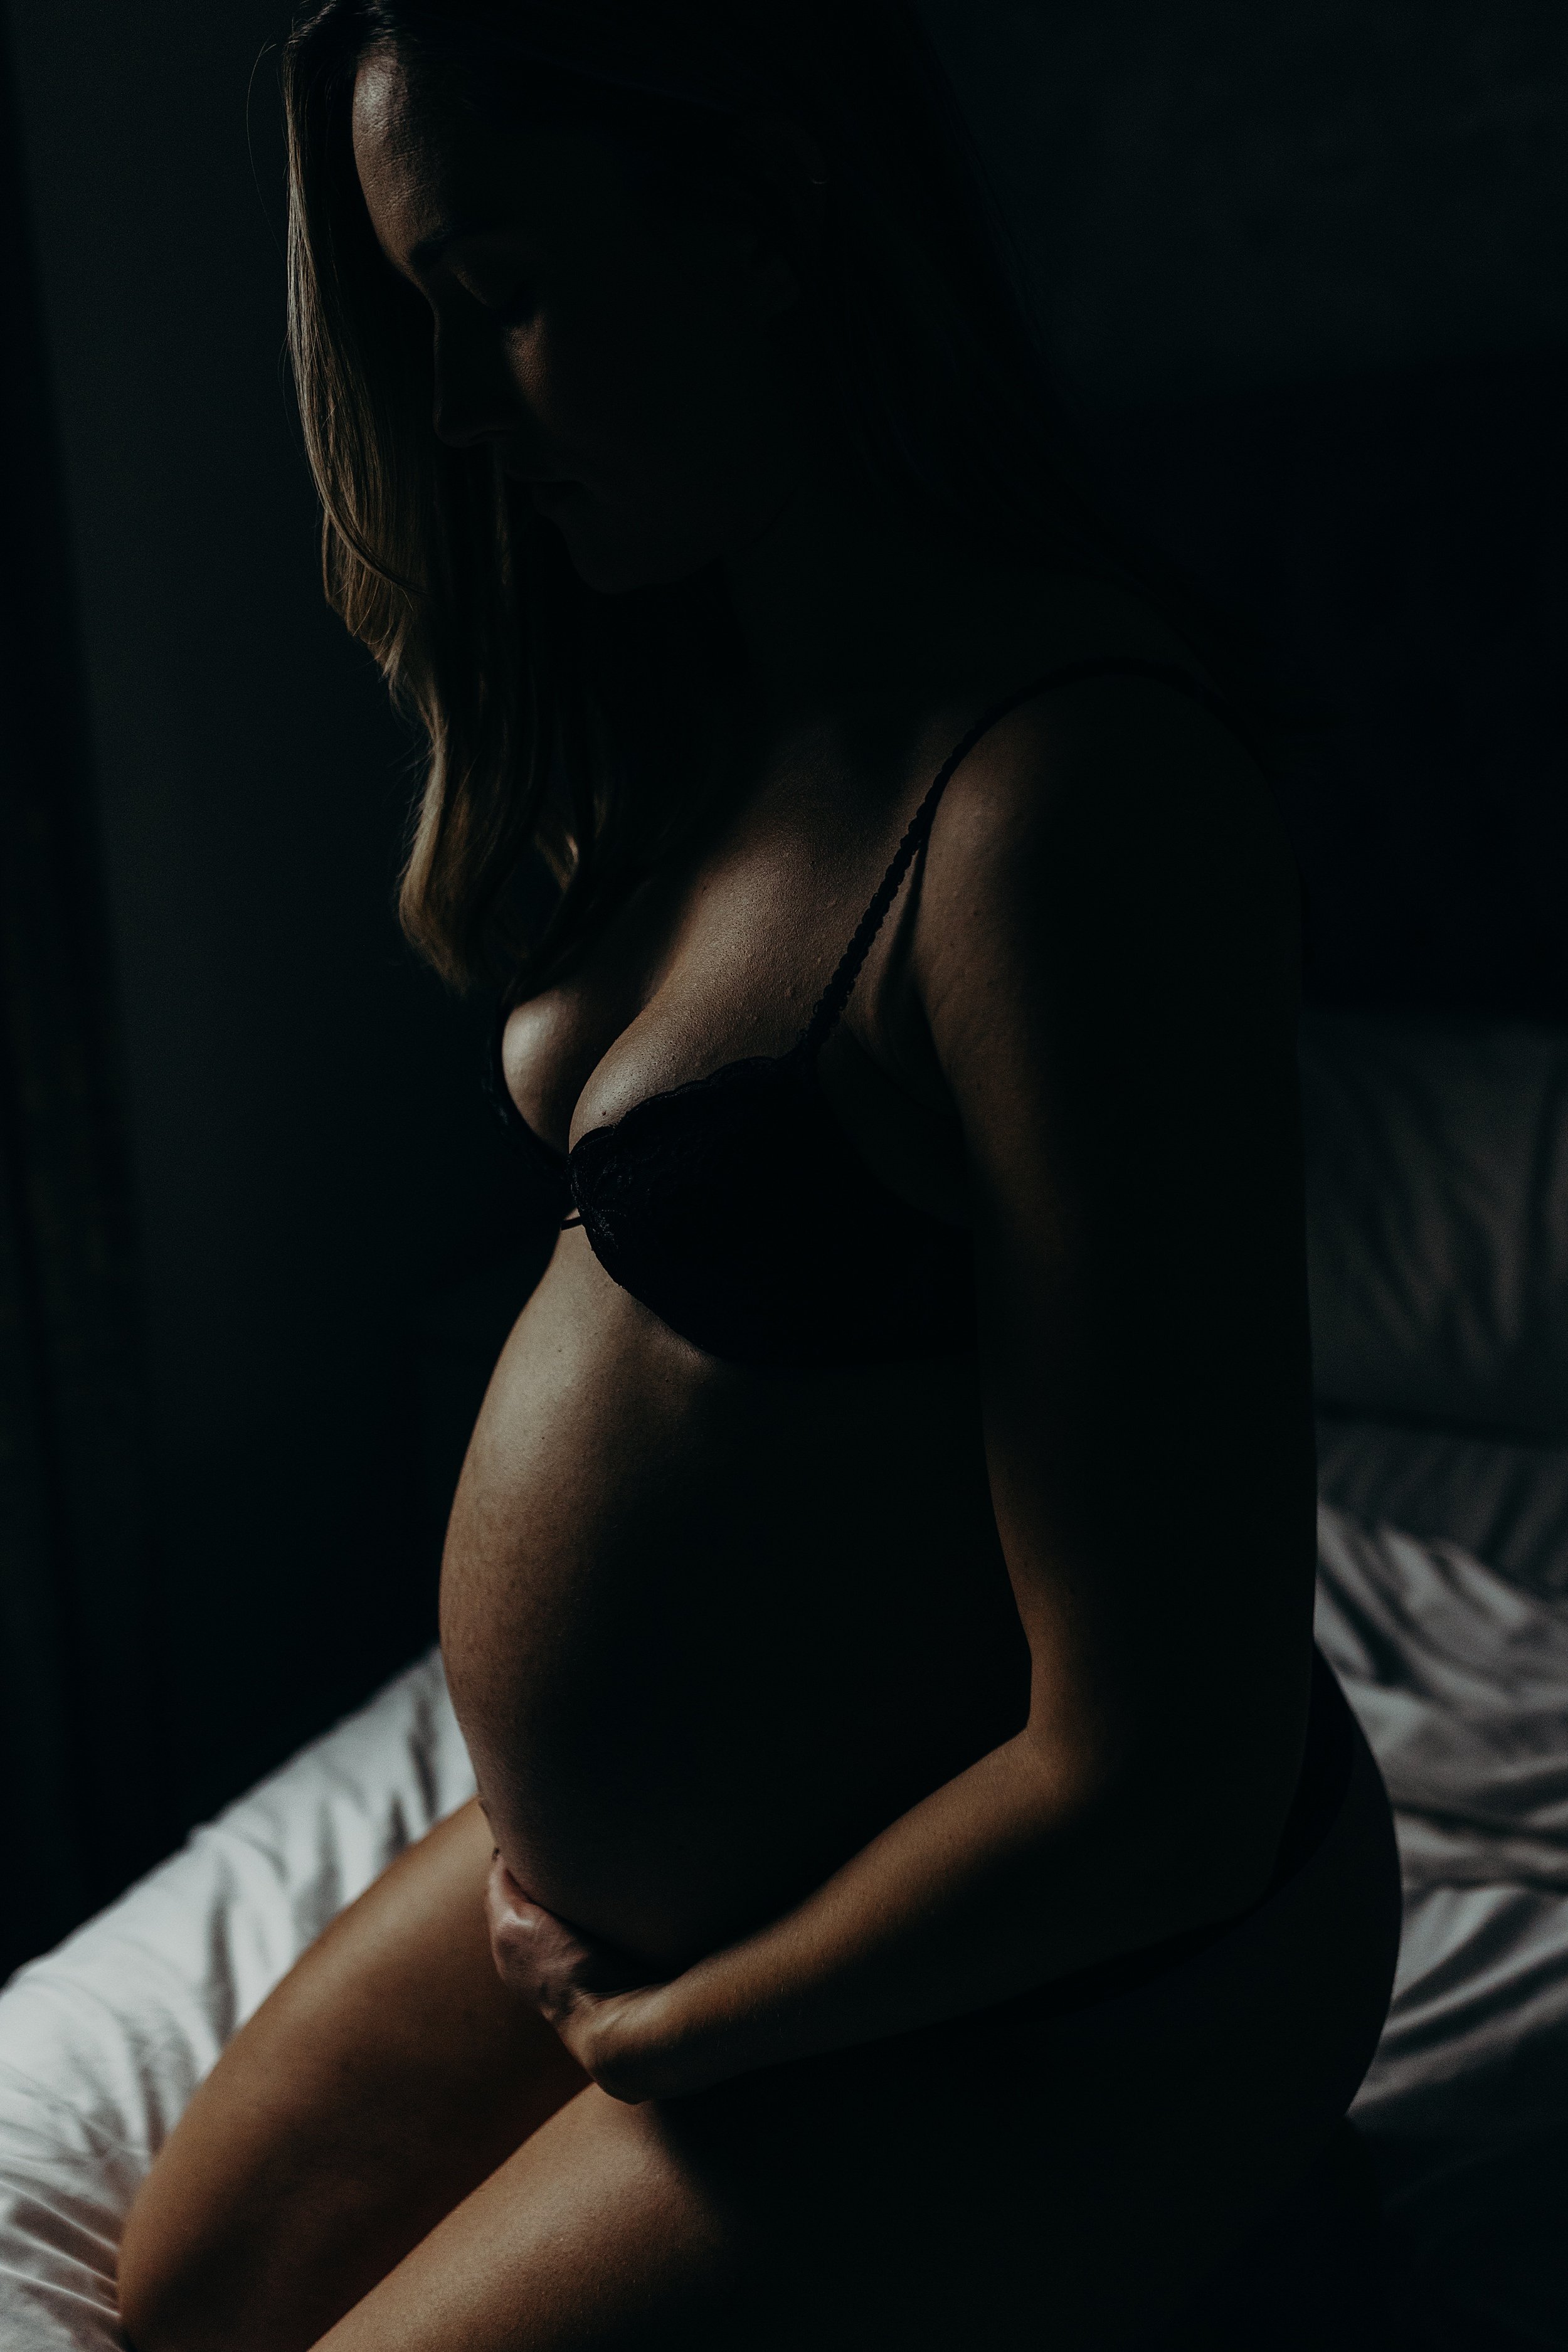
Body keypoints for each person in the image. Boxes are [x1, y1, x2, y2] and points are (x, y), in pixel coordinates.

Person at [117, 4, 1401, 2346]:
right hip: (711, 1874)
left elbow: (1168, 1777)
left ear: (757, 206)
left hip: (1059, 1963)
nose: (458, 418)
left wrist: (659, 2041)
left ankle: (1214, 2211)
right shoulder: (696, 706)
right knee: (181, 2299)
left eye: (495, 293)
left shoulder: (1062, 803)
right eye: (420, 323)